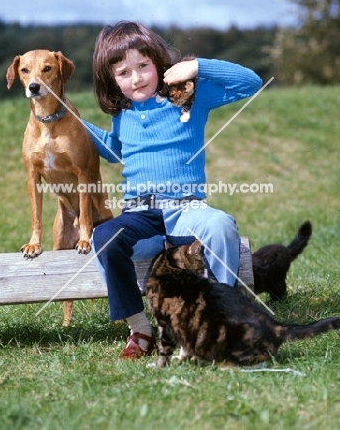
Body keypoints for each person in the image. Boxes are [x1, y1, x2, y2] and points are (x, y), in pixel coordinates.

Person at [82, 21, 262, 359]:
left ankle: (222, 320)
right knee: (104, 236)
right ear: (112, 80)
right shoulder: (123, 115)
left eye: (143, 67)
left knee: (220, 224)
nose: (135, 79)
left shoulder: (188, 96)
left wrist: (197, 66)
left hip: (186, 209)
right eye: (123, 72)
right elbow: (114, 150)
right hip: (140, 215)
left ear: (158, 63)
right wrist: (72, 117)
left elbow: (250, 82)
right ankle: (140, 329)